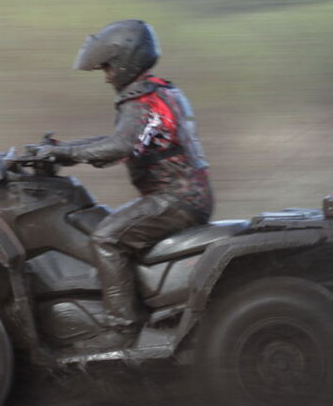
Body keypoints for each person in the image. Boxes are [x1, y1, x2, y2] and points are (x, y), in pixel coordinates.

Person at [38, 19, 213, 347]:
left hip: (178, 198)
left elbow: (121, 146)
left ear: (125, 61)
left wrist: (63, 155)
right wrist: (59, 150)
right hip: (186, 194)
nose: (106, 76)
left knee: (106, 238)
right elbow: (120, 140)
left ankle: (121, 329)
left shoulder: (144, 100)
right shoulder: (158, 91)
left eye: (108, 68)